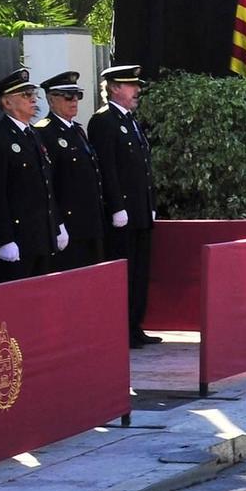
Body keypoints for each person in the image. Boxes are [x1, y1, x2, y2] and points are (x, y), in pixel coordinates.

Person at [90, 64, 157, 347]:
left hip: (140, 211)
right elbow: (108, 169)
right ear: (115, 88)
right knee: (125, 273)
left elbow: (142, 168)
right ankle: (122, 329)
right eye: (132, 86)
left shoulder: (129, 120)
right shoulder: (103, 120)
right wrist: (117, 206)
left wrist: (149, 203)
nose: (137, 90)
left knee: (141, 272)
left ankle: (135, 325)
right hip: (123, 214)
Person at [0, 68, 63, 283]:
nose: (33, 99)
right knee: (13, 304)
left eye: (33, 94)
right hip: (18, 237)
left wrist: (56, 224)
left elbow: (45, 185)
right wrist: (5, 239)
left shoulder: (33, 135)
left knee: (39, 300)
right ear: (7, 103)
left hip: (41, 234)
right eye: (25, 95)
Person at [37, 72, 104, 272]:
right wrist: (58, 225)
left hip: (90, 221)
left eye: (77, 95)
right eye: (68, 96)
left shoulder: (77, 130)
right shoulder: (44, 132)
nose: (74, 101)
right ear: (51, 99)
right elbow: (48, 184)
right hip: (69, 223)